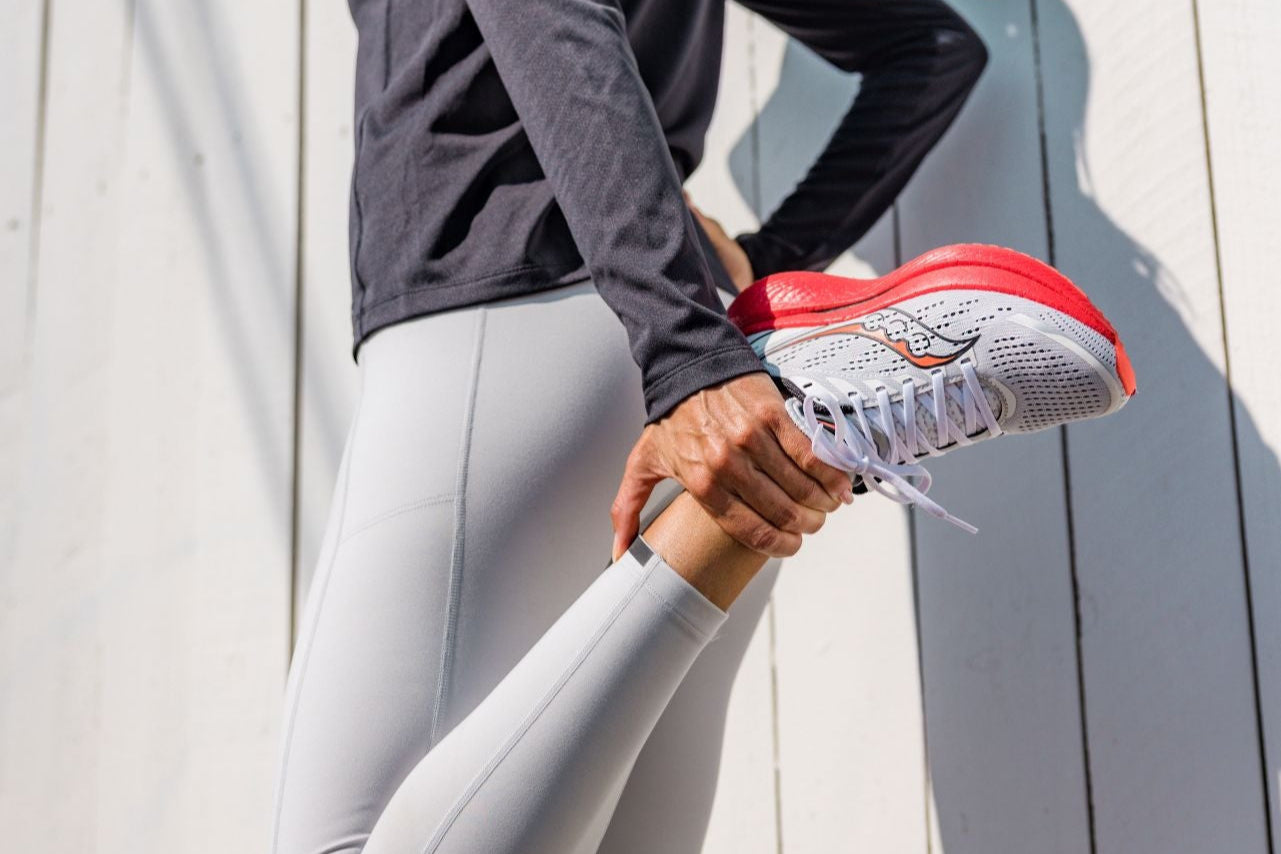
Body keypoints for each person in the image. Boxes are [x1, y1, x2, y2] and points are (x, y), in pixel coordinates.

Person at [267, 2, 1050, 852]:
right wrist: (722, 303)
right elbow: (930, 52)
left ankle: (735, 504)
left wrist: (688, 358)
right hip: (691, 356)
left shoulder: (680, 359)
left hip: (524, 330)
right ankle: (739, 507)